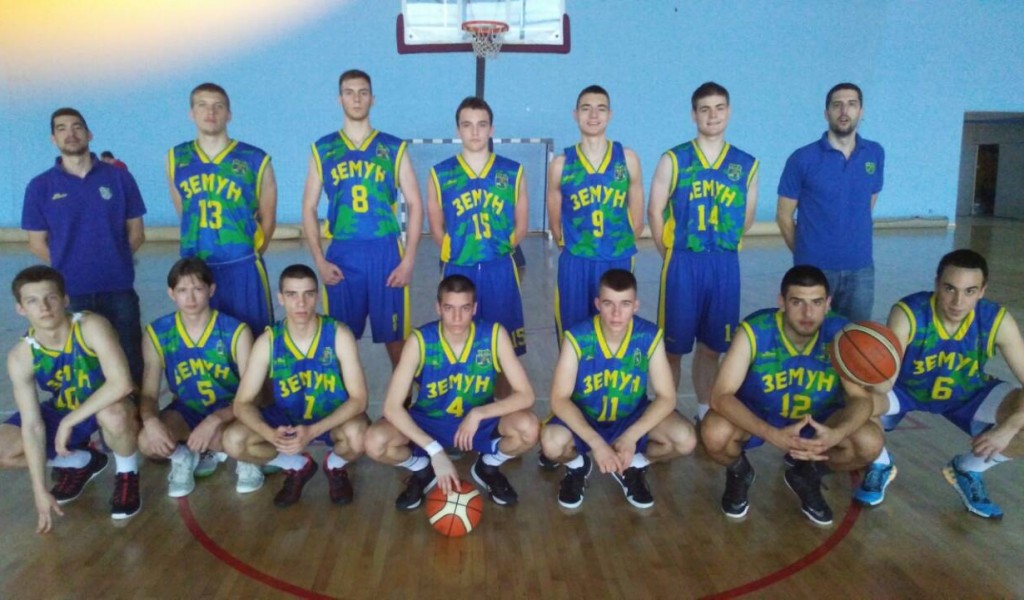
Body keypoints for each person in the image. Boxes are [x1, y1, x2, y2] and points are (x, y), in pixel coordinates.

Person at [702, 265, 885, 525]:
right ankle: (739, 472)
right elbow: (721, 395)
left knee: (870, 443)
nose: (808, 313)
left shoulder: (842, 335)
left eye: (816, 302)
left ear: (828, 304)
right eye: (797, 302)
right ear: (782, 302)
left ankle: (808, 474)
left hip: (818, 419)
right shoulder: (755, 330)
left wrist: (838, 433)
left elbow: (861, 399)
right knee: (714, 432)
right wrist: (770, 434)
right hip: (760, 414)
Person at [854, 249, 1024, 520]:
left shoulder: (996, 320)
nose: (958, 301)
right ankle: (880, 463)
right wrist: (865, 381)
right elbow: (885, 382)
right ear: (936, 285)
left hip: (970, 394)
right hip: (905, 391)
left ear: (982, 291)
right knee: (854, 403)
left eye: (970, 291)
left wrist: (1009, 428)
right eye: (949, 288)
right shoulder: (909, 313)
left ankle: (968, 469)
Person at [364, 275, 538, 510]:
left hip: (479, 424)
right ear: (438, 308)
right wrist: (434, 451)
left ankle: (487, 466)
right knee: (374, 441)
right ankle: (422, 469)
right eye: (449, 308)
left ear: (474, 308)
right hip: (429, 422)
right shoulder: (420, 341)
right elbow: (391, 407)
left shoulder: (494, 335)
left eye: (464, 308)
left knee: (529, 428)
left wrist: (478, 413)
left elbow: (526, 395)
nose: (457, 317)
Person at [647, 82, 759, 421]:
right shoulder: (674, 159)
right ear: (694, 114)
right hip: (683, 262)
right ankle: (664, 415)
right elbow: (654, 211)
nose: (713, 115)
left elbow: (747, 219)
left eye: (719, 108)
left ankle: (704, 411)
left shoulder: (746, 164)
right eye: (705, 109)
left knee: (712, 348)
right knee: (672, 350)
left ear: (729, 112)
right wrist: (669, 255)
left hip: (724, 264)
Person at [0, 266, 141, 532]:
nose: (44, 307)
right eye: (32, 301)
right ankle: (81, 461)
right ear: (20, 308)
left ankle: (127, 474)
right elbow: (32, 425)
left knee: (114, 414)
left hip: (108, 402)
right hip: (64, 407)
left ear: (65, 300)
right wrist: (40, 490)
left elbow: (121, 384)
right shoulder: (20, 356)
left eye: (50, 297)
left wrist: (68, 422)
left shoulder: (91, 326)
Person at [541, 269, 696, 509]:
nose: (616, 313)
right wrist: (596, 443)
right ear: (597, 304)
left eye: (625, 304)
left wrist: (631, 437)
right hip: (586, 417)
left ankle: (632, 465)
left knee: (685, 440)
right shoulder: (578, 337)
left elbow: (667, 397)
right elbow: (559, 399)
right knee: (551, 443)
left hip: (630, 417)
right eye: (608, 304)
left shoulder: (648, 336)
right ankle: (577, 467)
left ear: (635, 306)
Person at [301, 69, 423, 369]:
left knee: (396, 337)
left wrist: (408, 260)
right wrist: (319, 260)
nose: (356, 99)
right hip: (343, 252)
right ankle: (343, 397)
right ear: (339, 99)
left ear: (372, 99)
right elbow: (308, 207)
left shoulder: (393, 147)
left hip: (385, 252)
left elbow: (415, 203)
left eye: (363, 92)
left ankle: (404, 395)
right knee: (340, 338)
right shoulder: (323, 148)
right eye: (349, 92)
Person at [221, 265, 369, 508]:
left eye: (308, 294)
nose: (301, 303)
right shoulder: (268, 341)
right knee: (233, 440)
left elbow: (359, 399)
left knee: (359, 437)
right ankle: (298, 466)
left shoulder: (338, 334)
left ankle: (335, 466)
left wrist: (312, 431)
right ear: (281, 298)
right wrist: (270, 434)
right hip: (286, 420)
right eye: (292, 294)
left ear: (317, 296)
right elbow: (241, 402)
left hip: (331, 417)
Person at [22, 108, 147, 385]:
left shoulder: (119, 179)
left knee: (130, 362)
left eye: (77, 127)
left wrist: (114, 260)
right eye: (62, 128)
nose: (71, 133)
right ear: (53, 138)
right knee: (82, 368)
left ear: (89, 134)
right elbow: (36, 243)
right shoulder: (40, 187)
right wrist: (70, 268)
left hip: (118, 290)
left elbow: (137, 232)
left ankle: (136, 412)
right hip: (71, 294)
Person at [137, 258, 258, 498]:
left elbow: (252, 398)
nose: (190, 298)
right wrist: (150, 421)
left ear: (211, 290)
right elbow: (149, 394)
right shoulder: (157, 333)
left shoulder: (236, 331)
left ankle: (245, 459)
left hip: (231, 410)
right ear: (171, 293)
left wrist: (214, 419)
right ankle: (183, 457)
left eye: (198, 289)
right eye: (182, 290)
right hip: (187, 410)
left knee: (231, 439)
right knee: (146, 442)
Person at [168, 82, 277, 333]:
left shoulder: (255, 159)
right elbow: (184, 212)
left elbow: (268, 219)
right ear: (191, 113)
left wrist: (248, 253)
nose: (211, 112)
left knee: (255, 336)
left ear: (229, 114)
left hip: (241, 265)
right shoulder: (176, 158)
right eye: (202, 105)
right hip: (197, 269)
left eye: (218, 106)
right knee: (206, 338)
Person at [777, 82, 885, 322]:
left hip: (861, 269)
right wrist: (805, 253)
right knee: (810, 335)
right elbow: (783, 216)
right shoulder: (802, 159)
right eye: (837, 105)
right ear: (827, 113)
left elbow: (867, 204)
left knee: (855, 337)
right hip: (814, 268)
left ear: (861, 111)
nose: (844, 111)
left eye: (851, 104)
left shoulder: (875, 153)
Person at [547, 84, 644, 344]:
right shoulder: (561, 164)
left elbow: (637, 219)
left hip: (617, 259)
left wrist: (618, 246)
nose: (593, 115)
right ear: (575, 114)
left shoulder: (627, 159)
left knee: (616, 335)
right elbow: (554, 219)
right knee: (572, 338)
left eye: (600, 109)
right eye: (586, 108)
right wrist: (569, 244)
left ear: (609, 115)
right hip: (577, 261)